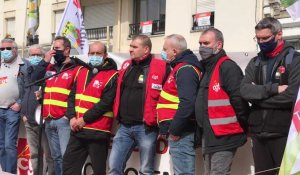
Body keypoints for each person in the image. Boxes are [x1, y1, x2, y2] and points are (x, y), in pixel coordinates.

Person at [240, 17, 300, 175]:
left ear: (279, 34)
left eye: (265, 38)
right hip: (258, 132)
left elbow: (291, 96)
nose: (261, 42)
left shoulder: (295, 60)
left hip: (285, 133)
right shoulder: (255, 62)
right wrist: (274, 89)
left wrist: (258, 98)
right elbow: (245, 91)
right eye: (258, 38)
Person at [108, 35, 170, 175]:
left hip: (146, 127)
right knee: (114, 167)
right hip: (124, 126)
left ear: (146, 49)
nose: (130, 50)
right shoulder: (126, 65)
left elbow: (170, 97)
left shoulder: (162, 67)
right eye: (130, 46)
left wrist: (163, 123)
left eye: (134, 47)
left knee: (146, 170)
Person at [195, 28, 249, 175]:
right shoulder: (207, 67)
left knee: (218, 173)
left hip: (225, 134)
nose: (201, 47)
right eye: (200, 43)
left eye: (206, 43)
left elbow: (239, 101)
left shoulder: (227, 67)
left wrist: (243, 126)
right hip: (209, 134)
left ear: (218, 45)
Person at [63, 42, 118, 175]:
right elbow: (71, 97)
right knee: (69, 166)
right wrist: (71, 117)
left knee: (98, 170)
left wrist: (84, 119)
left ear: (105, 55)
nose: (94, 56)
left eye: (98, 53)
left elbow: (106, 103)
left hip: (97, 131)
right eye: (92, 53)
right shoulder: (82, 71)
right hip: (77, 129)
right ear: (87, 54)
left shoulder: (112, 75)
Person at [31, 36, 80, 175]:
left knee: (66, 157)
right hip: (48, 118)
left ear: (67, 50)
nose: (54, 52)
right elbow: (35, 79)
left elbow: (76, 94)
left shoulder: (75, 68)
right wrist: (45, 60)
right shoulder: (49, 67)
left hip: (63, 119)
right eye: (53, 48)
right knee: (56, 157)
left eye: (57, 49)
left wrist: (68, 116)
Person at [157, 34, 202, 175]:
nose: (163, 52)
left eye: (165, 49)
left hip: (182, 132)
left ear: (175, 51)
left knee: (183, 172)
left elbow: (188, 102)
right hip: (178, 130)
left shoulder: (185, 69)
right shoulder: (179, 68)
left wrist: (175, 129)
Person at [21, 44, 54, 175]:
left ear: (44, 56)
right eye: (32, 55)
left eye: (38, 55)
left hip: (44, 120)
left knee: (49, 154)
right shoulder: (27, 71)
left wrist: (43, 95)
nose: (35, 58)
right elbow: (23, 93)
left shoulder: (49, 71)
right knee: (34, 154)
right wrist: (23, 114)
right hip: (29, 121)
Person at [0, 39, 26, 174]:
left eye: (8, 48)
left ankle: (10, 173)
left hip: (11, 110)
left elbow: (29, 87)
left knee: (9, 145)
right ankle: (4, 172)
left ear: (15, 50)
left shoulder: (23, 65)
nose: (5, 51)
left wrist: (20, 103)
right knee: (1, 145)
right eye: (2, 49)